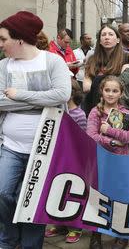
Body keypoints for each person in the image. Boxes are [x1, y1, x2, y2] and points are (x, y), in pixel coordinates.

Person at [0, 11, 72, 248]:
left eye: (3, 39)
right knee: (3, 193)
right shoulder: (4, 66)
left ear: (19, 39)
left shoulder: (52, 61)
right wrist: (42, 99)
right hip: (10, 146)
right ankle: (9, 238)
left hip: (45, 148)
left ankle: (31, 244)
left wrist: (19, 95)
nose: (1, 44)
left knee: (33, 200)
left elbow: (62, 94)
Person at [86, 75, 129, 249]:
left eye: (115, 91)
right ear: (102, 91)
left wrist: (111, 131)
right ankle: (96, 234)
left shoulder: (127, 114)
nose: (110, 94)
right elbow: (91, 136)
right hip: (101, 161)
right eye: (107, 90)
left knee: (121, 196)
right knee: (99, 196)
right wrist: (113, 141)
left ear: (121, 93)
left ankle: (121, 234)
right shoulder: (96, 112)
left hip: (121, 162)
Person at [45, 80, 86, 242]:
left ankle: (76, 226)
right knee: (56, 191)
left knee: (71, 192)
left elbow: (82, 141)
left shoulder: (79, 115)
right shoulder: (56, 112)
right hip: (57, 158)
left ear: (72, 93)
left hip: (73, 160)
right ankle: (60, 223)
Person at [83, 25, 128, 114]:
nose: (107, 37)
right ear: (100, 41)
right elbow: (86, 85)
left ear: (118, 40)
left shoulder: (127, 59)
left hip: (117, 110)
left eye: (110, 34)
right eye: (103, 35)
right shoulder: (92, 59)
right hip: (95, 108)